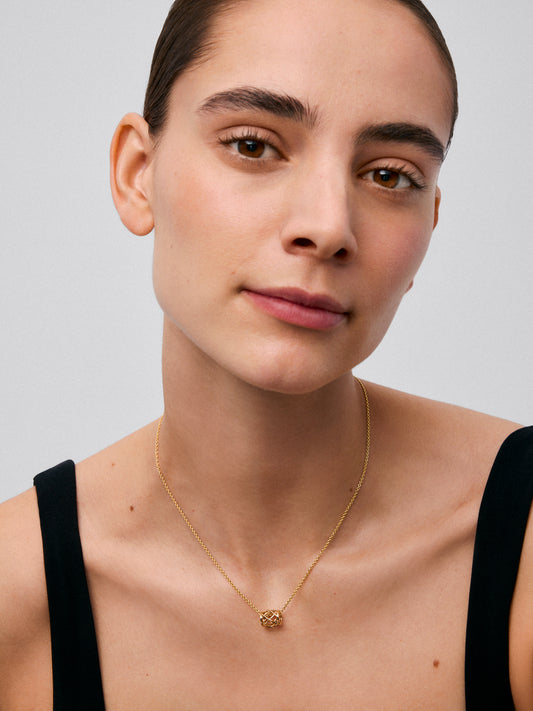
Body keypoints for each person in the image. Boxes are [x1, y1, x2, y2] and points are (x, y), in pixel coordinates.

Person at [0, 0, 531, 708]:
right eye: (253, 145)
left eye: (389, 175)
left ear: (428, 223)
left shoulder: (522, 544)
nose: (327, 226)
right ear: (137, 173)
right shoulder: (13, 593)